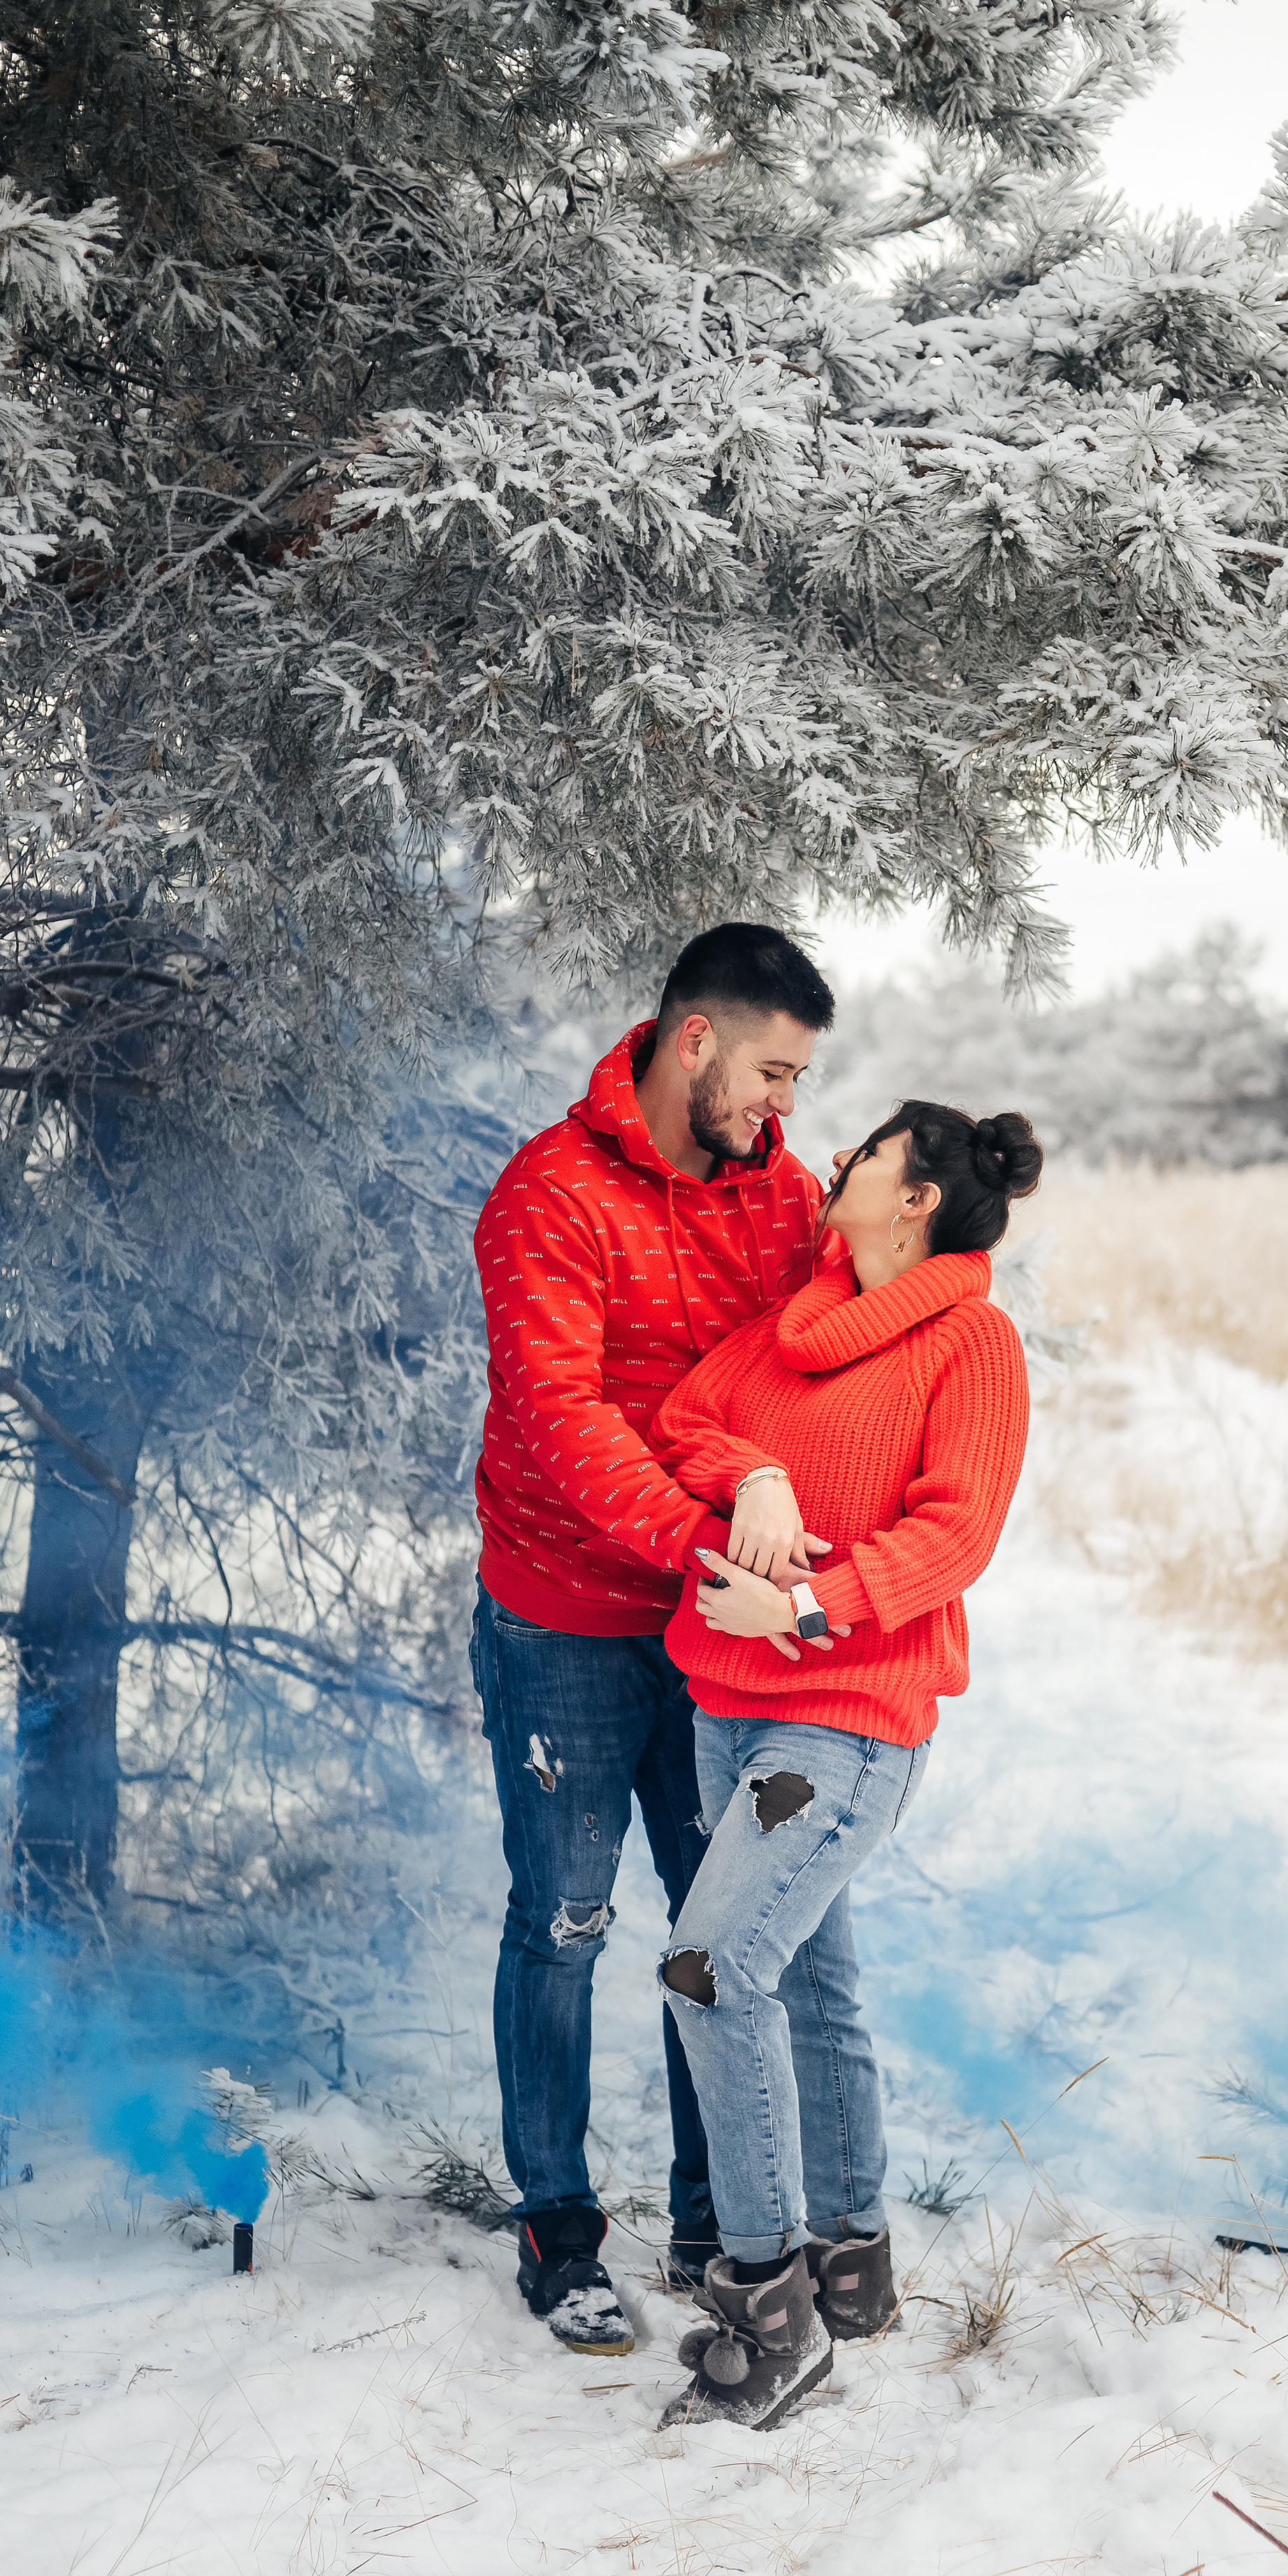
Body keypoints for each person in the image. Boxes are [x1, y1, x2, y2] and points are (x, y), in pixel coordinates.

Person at [470, 924, 840, 2356]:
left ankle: (712, 2218)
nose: (782, 1107)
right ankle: (558, 2228)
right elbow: (565, 1430)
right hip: (563, 1618)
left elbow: (827, 1368)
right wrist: (712, 1552)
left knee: (717, 1929)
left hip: (712, 1648)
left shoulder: (777, 1200)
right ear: (695, 1041)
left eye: (800, 1082)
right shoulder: (546, 1197)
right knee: (561, 1924)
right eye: (770, 1071)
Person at [646, 1100, 1043, 2426]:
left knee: (709, 1972)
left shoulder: (971, 1341)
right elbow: (687, 1421)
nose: (840, 1164)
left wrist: (811, 1607)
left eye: (868, 1153)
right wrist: (757, 1476)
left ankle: (771, 2313)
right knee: (807, 1979)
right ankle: (852, 2264)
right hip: (728, 1707)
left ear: (916, 1197)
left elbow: (959, 1531)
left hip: (845, 1716)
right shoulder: (791, 1332)